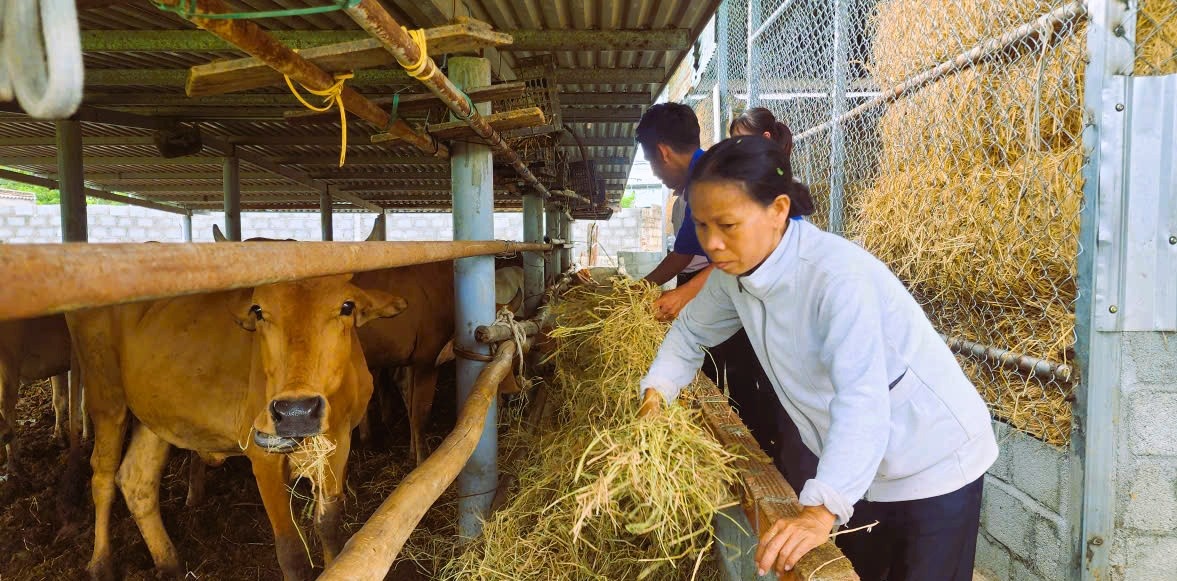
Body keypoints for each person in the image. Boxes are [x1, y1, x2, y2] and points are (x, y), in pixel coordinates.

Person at [638, 136, 998, 580]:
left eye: (727, 225)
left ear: (779, 210)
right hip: (856, 461)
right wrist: (657, 395)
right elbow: (690, 333)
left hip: (930, 459)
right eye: (703, 226)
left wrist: (820, 511)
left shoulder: (835, 279)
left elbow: (861, 399)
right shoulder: (735, 277)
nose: (712, 243)